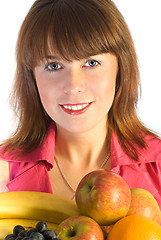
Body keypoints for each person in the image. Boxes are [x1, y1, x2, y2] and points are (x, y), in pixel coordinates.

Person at [0, 0, 161, 207]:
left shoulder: (157, 168)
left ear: (120, 68)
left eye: (91, 63)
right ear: (31, 77)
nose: (73, 86)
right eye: (54, 65)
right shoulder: (4, 174)